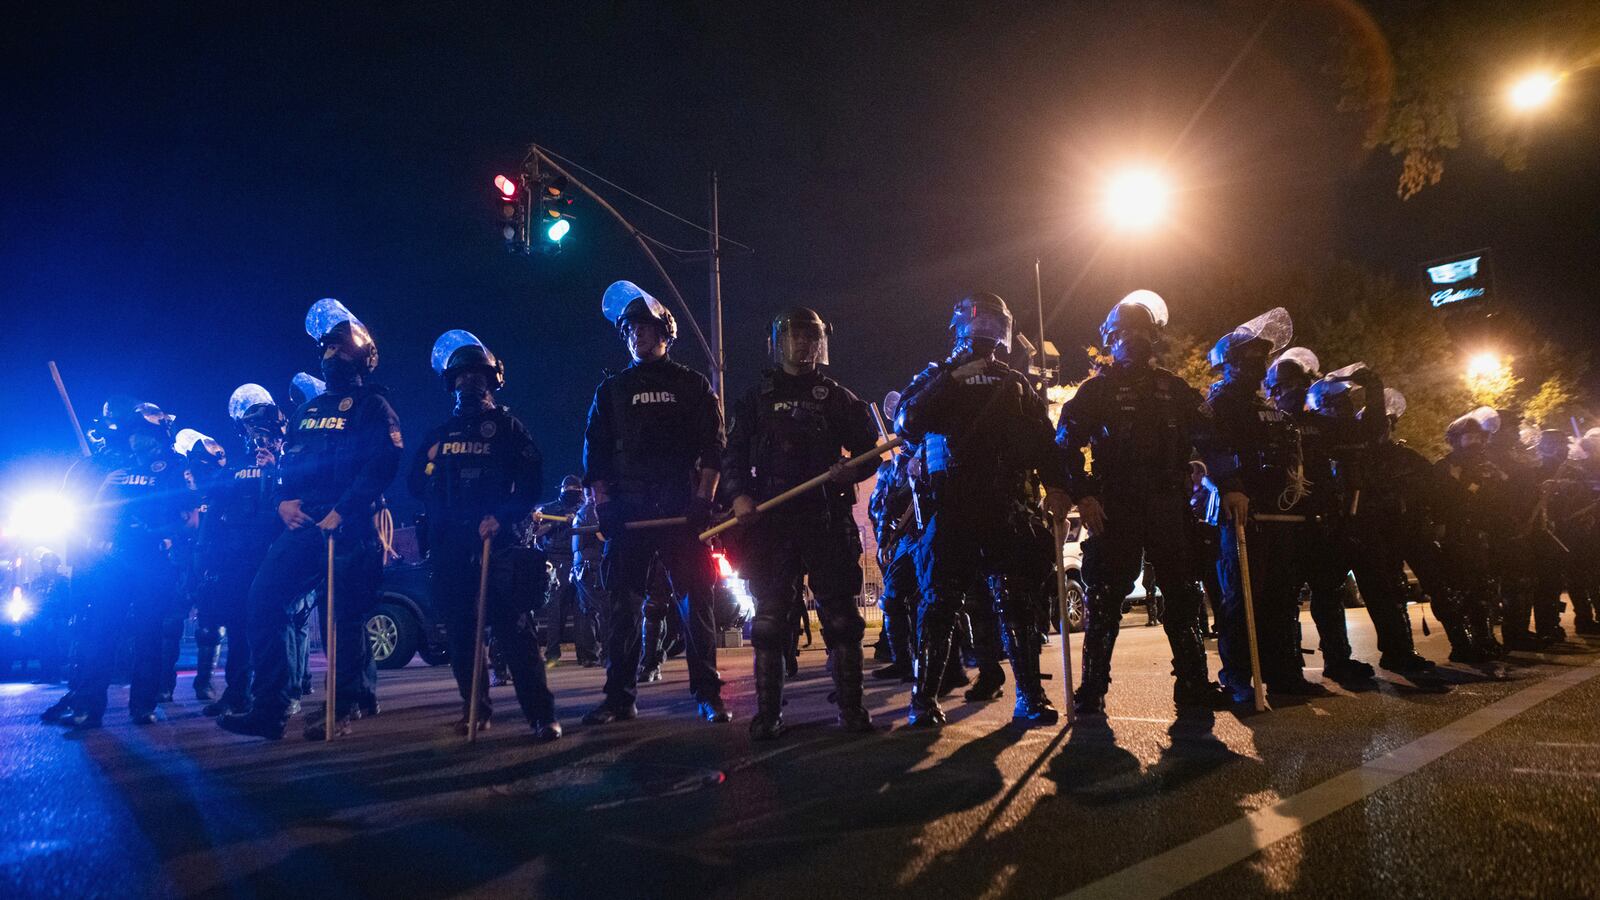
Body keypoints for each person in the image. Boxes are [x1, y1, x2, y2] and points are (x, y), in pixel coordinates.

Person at [220, 299, 402, 740]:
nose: (330, 356)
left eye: (338, 348)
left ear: (360, 353)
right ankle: (270, 708)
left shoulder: (373, 406)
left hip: (349, 525)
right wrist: (284, 500)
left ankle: (342, 707)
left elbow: (384, 461)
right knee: (262, 599)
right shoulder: (308, 410)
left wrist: (344, 510)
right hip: (304, 524)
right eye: (325, 349)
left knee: (342, 620)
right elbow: (290, 466)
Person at [895, 292, 1070, 727]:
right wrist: (952, 379)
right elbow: (906, 423)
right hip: (952, 503)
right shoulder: (938, 374)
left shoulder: (1014, 381)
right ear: (959, 325)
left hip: (1005, 503)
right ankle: (924, 699)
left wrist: (1057, 491)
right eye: (980, 321)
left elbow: (1044, 442)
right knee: (940, 605)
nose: (987, 330)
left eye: (995, 322)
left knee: (1017, 601)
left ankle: (1029, 695)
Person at [1057, 291, 1230, 715]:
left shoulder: (1174, 390)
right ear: (1111, 339)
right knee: (1103, 598)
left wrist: (1210, 470)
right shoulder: (1096, 392)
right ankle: (1093, 689)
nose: (1133, 341)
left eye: (1141, 334)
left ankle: (1192, 683)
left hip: (1169, 504)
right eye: (1124, 334)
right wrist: (1084, 495)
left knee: (1183, 594)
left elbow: (1214, 437)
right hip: (1116, 506)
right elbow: (1064, 445)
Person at [722, 306, 880, 739]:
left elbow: (871, 450)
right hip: (773, 521)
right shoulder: (756, 399)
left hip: (825, 516)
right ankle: (768, 715)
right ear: (779, 342)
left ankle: (851, 709)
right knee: (770, 624)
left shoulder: (837, 397)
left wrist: (853, 469)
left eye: (811, 337)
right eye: (795, 336)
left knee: (843, 620)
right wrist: (738, 496)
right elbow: (732, 454)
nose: (804, 344)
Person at [581, 281, 730, 725]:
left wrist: (704, 499)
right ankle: (619, 699)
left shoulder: (692, 385)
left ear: (663, 330)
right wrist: (604, 506)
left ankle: (708, 695)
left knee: (695, 607)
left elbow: (714, 448)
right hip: (629, 517)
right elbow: (596, 456)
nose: (634, 335)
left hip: (681, 513)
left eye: (642, 327)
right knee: (622, 611)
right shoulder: (610, 392)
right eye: (627, 329)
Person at [409, 330, 558, 740]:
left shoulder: (508, 427)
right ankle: (474, 710)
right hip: (449, 546)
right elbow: (415, 484)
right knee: (460, 633)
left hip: (497, 541)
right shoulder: (439, 435)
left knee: (514, 631)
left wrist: (504, 517)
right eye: (460, 378)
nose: (468, 384)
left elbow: (531, 483)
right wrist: (429, 465)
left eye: (477, 377)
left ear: (492, 381)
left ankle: (542, 716)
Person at [1201, 308, 1320, 706]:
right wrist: (1232, 486)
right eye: (1248, 358)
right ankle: (1237, 676)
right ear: (1231, 363)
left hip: (1280, 513)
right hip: (1242, 515)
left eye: (1260, 358)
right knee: (1241, 598)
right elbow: (1212, 451)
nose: (1257, 365)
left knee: (1282, 597)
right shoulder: (1220, 403)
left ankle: (1283, 672)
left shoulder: (1266, 407)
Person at [65, 400, 197, 727]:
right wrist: (103, 496)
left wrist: (159, 531)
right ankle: (88, 706)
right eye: (133, 432)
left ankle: (144, 706)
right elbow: (95, 512)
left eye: (144, 432)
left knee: (149, 634)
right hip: (115, 559)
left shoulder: (175, 467)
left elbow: (191, 520)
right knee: (102, 629)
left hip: (154, 558)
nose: (137, 438)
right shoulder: (119, 465)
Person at [1302, 366, 1434, 674]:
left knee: (1381, 588)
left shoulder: (1354, 430)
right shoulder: (1315, 428)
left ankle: (1397, 652)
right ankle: (1337, 659)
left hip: (1362, 521)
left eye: (1347, 400)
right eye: (1337, 402)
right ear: (1323, 405)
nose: (1345, 407)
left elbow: (1375, 427)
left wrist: (1374, 388)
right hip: (1330, 522)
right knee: (1328, 591)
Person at [194, 386, 290, 717]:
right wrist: (207, 553)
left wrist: (275, 470)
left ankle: (278, 696)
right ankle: (237, 694)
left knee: (271, 630)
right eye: (252, 431)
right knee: (237, 627)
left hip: (272, 558)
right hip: (236, 561)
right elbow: (214, 511)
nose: (258, 438)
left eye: (264, 431)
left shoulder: (288, 465)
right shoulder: (233, 468)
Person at [536, 475, 600, 666]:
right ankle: (553, 654)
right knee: (557, 610)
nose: (573, 492)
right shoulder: (548, 509)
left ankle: (587, 654)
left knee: (584, 611)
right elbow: (536, 530)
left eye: (576, 489)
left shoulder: (587, 509)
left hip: (580, 561)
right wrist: (559, 522)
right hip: (558, 561)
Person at [29, 552, 72, 685]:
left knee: (54, 646)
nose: (47, 565)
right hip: (40, 617)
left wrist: (61, 617)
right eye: (45, 562)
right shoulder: (37, 582)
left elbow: (66, 600)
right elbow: (32, 599)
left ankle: (55, 674)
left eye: (50, 562)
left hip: (55, 617)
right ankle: (45, 674)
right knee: (42, 646)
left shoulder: (62, 581)